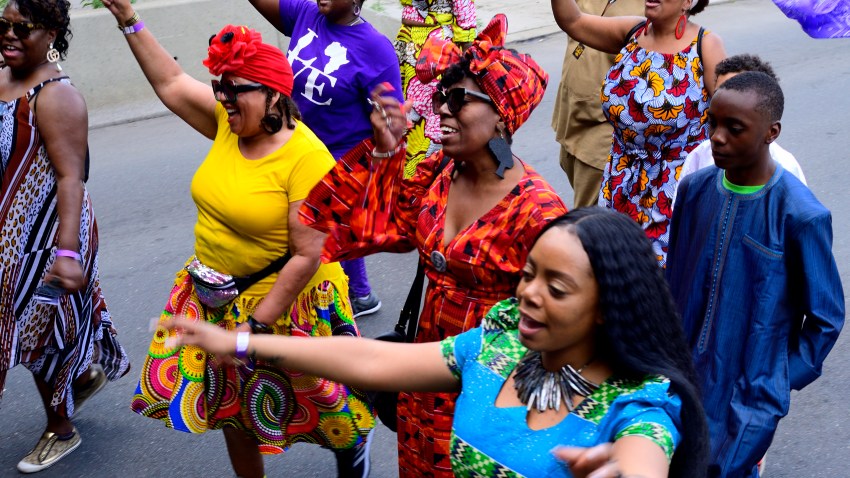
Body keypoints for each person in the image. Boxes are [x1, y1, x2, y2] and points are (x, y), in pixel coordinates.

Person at [164, 208, 710, 478]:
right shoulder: (502, 346)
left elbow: (642, 461)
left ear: (606, 307)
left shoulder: (639, 402)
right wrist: (244, 344)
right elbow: (374, 358)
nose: (529, 294)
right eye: (528, 274)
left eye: (556, 287)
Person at [101, 1, 374, 476]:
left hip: (285, 304)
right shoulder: (230, 125)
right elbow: (169, 82)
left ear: (272, 95)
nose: (224, 99)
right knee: (232, 409)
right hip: (213, 295)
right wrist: (129, 18)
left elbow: (307, 255)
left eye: (235, 90)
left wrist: (258, 328)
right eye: (219, 88)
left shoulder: (307, 158)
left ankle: (351, 450)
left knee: (325, 409)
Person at [301, 14, 567, 477]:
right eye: (442, 96)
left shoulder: (540, 214)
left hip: (489, 386)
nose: (441, 109)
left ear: (503, 116)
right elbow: (382, 230)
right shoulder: (442, 174)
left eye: (459, 99)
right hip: (424, 376)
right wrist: (385, 153)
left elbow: (565, 328)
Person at [666, 71, 845, 477]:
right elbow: (674, 280)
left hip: (745, 399)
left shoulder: (800, 214)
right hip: (676, 380)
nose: (717, 137)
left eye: (735, 128)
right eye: (712, 123)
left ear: (771, 132)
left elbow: (825, 319)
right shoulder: (694, 190)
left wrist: (774, 382)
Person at [0, 0, 131, 473]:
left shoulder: (56, 96)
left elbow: (70, 178)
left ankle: (61, 430)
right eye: (4, 26)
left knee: (41, 333)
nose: (10, 36)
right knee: (36, 328)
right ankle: (80, 380)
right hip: (8, 232)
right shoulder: (4, 77)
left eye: (23, 28)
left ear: (52, 31)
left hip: (48, 237)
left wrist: (68, 253)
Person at [247, 0, 405, 319]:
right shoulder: (306, 13)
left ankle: (335, 302)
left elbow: (394, 122)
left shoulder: (375, 48)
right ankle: (358, 294)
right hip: (299, 145)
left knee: (316, 233)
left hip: (341, 158)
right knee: (319, 233)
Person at [551, 0, 726, 265]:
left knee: (661, 284)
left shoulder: (706, 45)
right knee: (617, 277)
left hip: (673, 195)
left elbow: (733, 117)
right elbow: (573, 20)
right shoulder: (633, 32)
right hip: (621, 185)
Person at [550, 0, 644, 208]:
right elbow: (571, 19)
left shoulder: (653, 9)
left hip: (602, 134)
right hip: (571, 119)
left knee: (587, 226)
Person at [678, 54, 806, 187]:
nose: (723, 101)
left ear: (771, 132)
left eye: (735, 129)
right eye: (718, 93)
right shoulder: (699, 160)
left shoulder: (786, 169)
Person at [394, 0, 476, 177]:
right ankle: (419, 182)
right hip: (428, 47)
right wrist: (468, 56)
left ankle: (415, 180)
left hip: (422, 46)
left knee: (421, 119)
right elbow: (463, 9)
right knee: (424, 119)